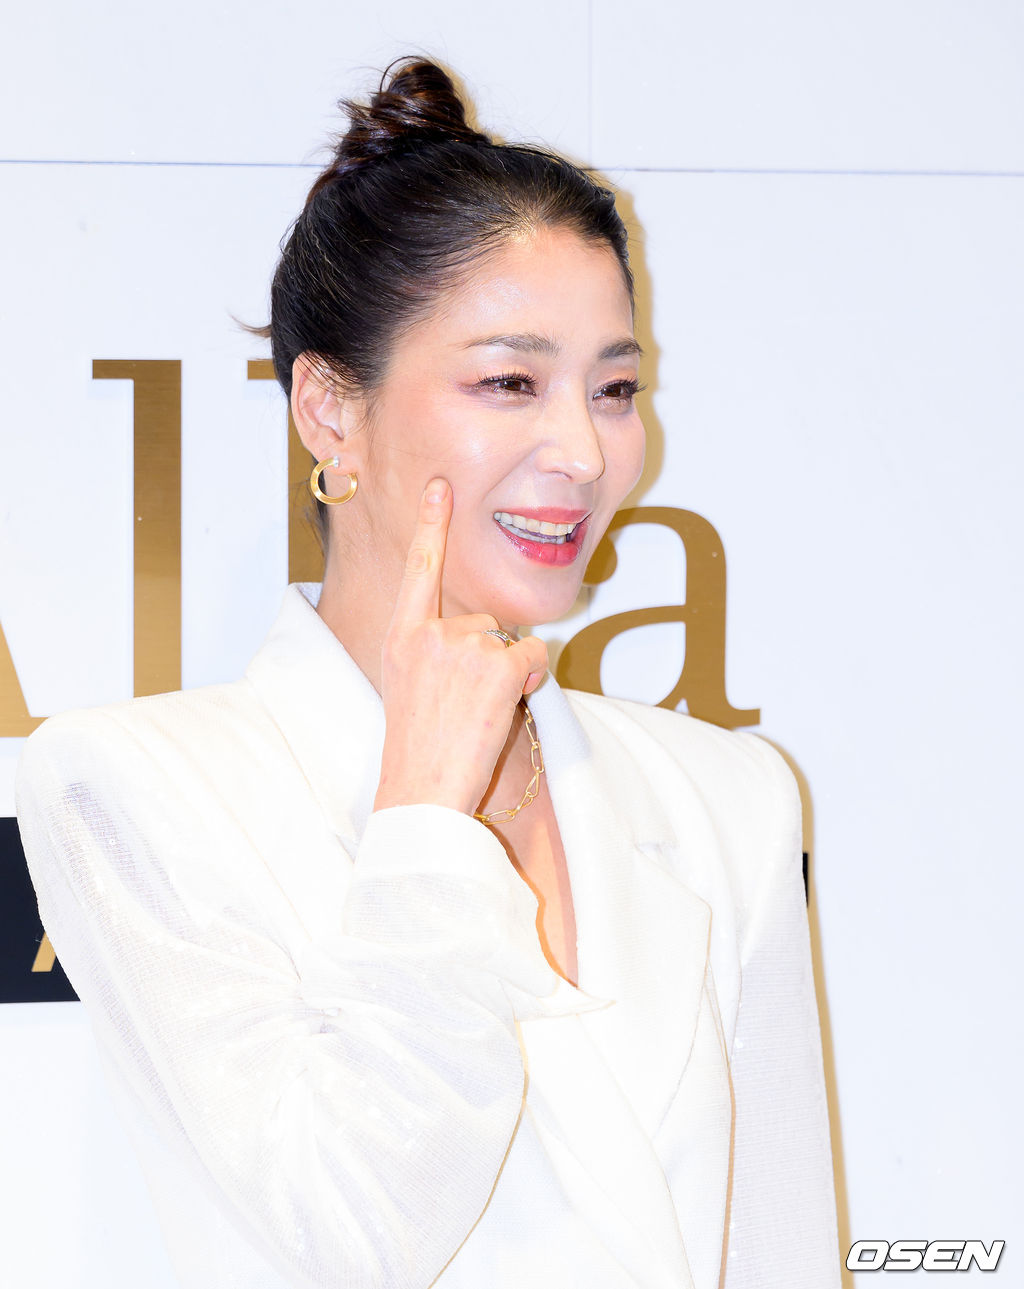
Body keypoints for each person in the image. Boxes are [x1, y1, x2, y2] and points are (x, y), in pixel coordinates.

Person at [16, 58, 840, 1289]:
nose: (585, 449)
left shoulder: (726, 800)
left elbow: (781, 1249)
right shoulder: (134, 787)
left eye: (614, 389)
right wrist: (423, 820)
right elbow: (354, 1232)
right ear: (329, 410)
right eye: (510, 381)